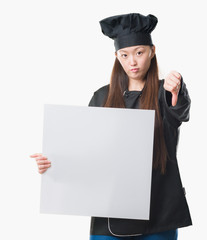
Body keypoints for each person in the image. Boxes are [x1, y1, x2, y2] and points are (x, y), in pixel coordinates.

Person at [30, 13, 192, 240]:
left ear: (152, 51)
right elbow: (85, 150)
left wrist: (177, 91)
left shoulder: (166, 92)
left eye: (139, 52)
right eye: (124, 55)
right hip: (109, 214)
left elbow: (180, 111)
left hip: (159, 212)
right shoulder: (102, 97)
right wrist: (54, 164)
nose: (132, 62)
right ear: (117, 56)